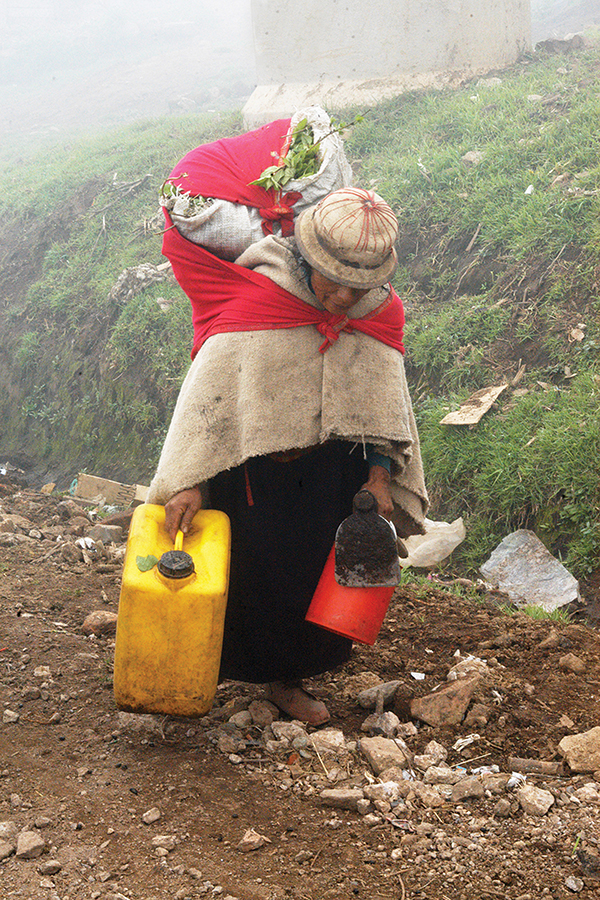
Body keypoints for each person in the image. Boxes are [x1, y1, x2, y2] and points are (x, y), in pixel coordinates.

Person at [146, 187, 428, 726]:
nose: (344, 298)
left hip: (331, 474)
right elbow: (211, 402)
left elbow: (382, 407)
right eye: (333, 281)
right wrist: (190, 481)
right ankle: (193, 667)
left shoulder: (378, 313)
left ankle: (286, 681)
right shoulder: (260, 296)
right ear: (308, 258)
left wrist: (379, 475)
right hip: (252, 470)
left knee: (309, 575)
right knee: (246, 571)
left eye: (358, 287)